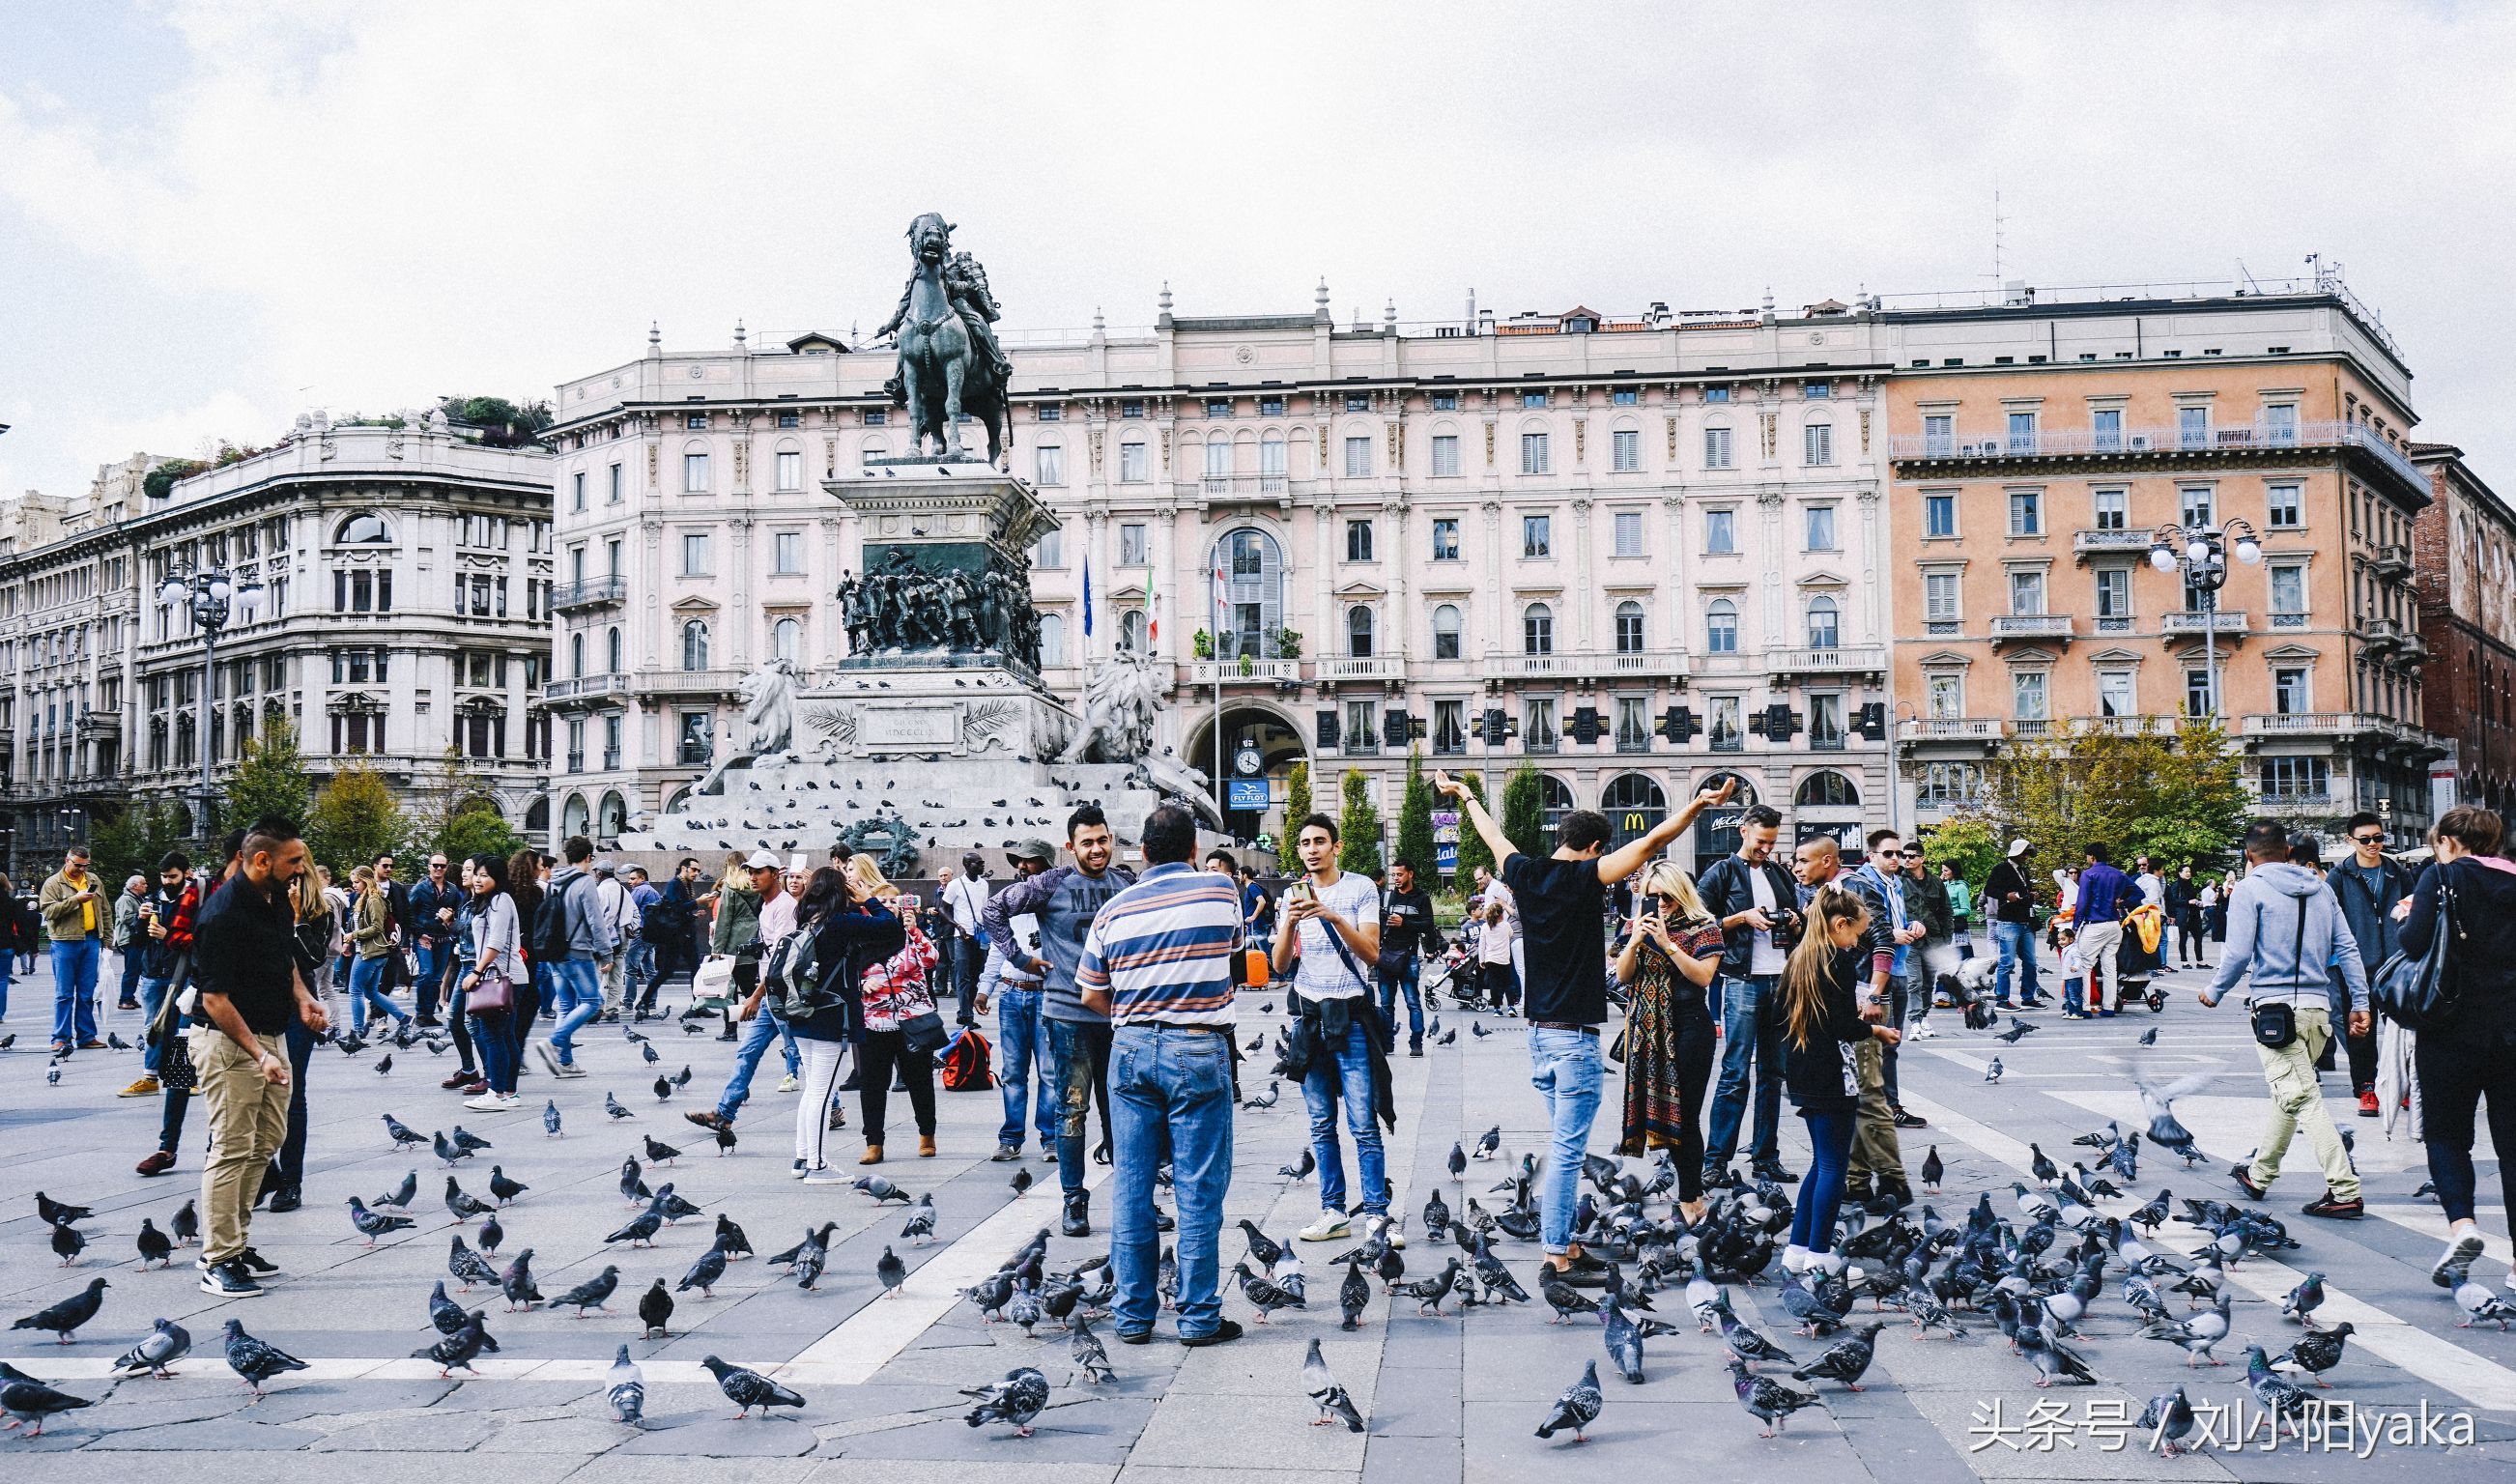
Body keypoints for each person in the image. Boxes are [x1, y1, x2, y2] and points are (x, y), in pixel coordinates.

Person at [1440, 769, 1729, 1285]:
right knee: (1569, 1151)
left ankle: (1570, 1243)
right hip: (1573, 1039)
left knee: (1565, 1142)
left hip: (1538, 1036)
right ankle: (1555, 1256)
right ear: (1595, 846)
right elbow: (1655, 840)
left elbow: (1492, 834)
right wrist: (1697, 805)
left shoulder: (1523, 872)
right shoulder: (1586, 876)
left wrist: (1465, 796)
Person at [1078, 802, 1246, 1347]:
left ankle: (1133, 1317)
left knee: (1131, 1186)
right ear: (1195, 850)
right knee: (1197, 1189)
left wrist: (1134, 1019)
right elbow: (1234, 952)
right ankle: (1197, 1319)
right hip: (1197, 1046)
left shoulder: (1113, 910)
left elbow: (1089, 992)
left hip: (1127, 1048)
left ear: (1142, 852)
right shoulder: (1221, 892)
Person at [2199, 820, 2369, 1219]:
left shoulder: (2249, 889)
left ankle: (2344, 1189)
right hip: (2317, 1009)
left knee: (2303, 1097)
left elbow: (2238, 953)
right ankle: (2260, 1174)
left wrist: (2215, 990)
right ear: (2288, 852)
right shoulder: (2322, 888)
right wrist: (2360, 1001)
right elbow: (2347, 948)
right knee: (2290, 1092)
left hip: (2275, 1011)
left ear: (2248, 855)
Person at [982, 806, 1136, 1238]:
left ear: (1111, 840)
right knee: (1071, 1110)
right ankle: (1074, 1201)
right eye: (1087, 842)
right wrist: (1019, 959)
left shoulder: (1125, 883)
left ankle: (1133, 1200)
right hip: (1067, 1015)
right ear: (1071, 847)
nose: (1097, 849)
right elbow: (993, 910)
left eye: (1102, 840)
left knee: (1123, 1110)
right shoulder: (1052, 883)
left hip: (1119, 1017)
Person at [192, 818, 326, 1297]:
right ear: (262, 860)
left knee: (267, 1138)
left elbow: (284, 956)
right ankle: (218, 1257)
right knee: (231, 1147)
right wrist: (258, 1053)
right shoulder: (222, 913)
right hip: (229, 1042)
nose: (301, 869)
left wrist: (303, 998)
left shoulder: (274, 900)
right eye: (294, 861)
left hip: (269, 1035)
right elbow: (215, 1000)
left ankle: (237, 1243)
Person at [2398, 808, 2516, 1287]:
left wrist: (2407, 914)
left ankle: (2464, 1226)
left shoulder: (2440, 877)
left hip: (2450, 1026)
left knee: (2447, 1134)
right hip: (2511, 1028)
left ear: (2447, 840)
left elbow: (2413, 943)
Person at [1271, 813, 1388, 1244]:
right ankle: (1333, 1211)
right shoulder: (1291, 896)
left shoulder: (1360, 888)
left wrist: (1332, 915)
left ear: (1336, 846)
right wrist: (1290, 920)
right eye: (1304, 843)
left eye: (1320, 841)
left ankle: (1376, 1213)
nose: (1312, 849)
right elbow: (1280, 965)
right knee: (1322, 1124)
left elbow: (1372, 952)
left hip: (1351, 1019)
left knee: (1362, 1123)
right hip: (1308, 1019)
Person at [1778, 883, 1900, 1274]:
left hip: (1801, 1067)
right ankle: (1820, 1255)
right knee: (1834, 1167)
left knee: (1820, 1163)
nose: (1858, 941)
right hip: (1832, 1071)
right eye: (1857, 933)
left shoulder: (1800, 956)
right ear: (1840, 924)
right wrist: (1874, 1027)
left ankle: (1798, 1249)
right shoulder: (1838, 960)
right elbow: (1842, 1025)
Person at [1696, 803, 1802, 1185]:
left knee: (1774, 1073)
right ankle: (1716, 1161)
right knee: (1736, 1072)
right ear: (1744, 832)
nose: (1766, 850)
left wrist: (1793, 919)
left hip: (1780, 978)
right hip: (1742, 980)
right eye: (1761, 842)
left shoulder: (1778, 873)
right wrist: (1741, 918)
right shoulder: (1721, 872)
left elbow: (1798, 919)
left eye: (1772, 843)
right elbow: (1696, 923)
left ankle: (1765, 1157)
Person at [1802, 835, 1910, 1205]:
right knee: (1854, 1094)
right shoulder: (1817, 893)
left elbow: (1882, 941)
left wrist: (1876, 995)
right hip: (1845, 999)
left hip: (1865, 998)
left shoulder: (1855, 888)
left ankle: (1893, 1183)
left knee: (1867, 1094)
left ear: (1828, 860)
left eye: (1804, 860)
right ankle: (1859, 1181)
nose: (1797, 867)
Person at [1613, 860, 1723, 1220]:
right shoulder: (1636, 927)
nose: (1659, 903)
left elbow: (1704, 977)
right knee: (1661, 1115)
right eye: (1652, 896)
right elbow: (1624, 977)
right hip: (1648, 1033)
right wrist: (1634, 942)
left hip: (1690, 1027)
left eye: (1667, 897)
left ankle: (1691, 1197)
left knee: (1685, 1117)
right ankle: (1688, 1194)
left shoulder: (1703, 927)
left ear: (1681, 895)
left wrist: (1668, 944)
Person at [791, 866, 907, 1183]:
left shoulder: (807, 918)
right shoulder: (841, 922)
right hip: (832, 1016)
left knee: (813, 1087)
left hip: (802, 1012)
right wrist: (869, 900)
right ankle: (817, 1165)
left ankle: (803, 1157)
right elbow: (892, 931)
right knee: (822, 1092)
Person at [849, 857, 942, 1162]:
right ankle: (874, 1142)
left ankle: (926, 1134)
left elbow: (931, 960)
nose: (889, 904)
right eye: (882, 900)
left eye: (893, 900)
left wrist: (915, 931)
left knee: (920, 1081)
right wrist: (864, 985)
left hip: (913, 1018)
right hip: (875, 1020)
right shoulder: (864, 935)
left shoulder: (909, 933)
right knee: (872, 1083)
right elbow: (850, 971)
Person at [264, 867, 340, 1211]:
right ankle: (264, 1169)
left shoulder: (319, 913)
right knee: (250, 1096)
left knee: (292, 1093)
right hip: (253, 1008)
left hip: (299, 1010)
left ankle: (290, 1182)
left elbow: (313, 958)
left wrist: (295, 918)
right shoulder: (251, 904)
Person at [977, 839, 1057, 1161]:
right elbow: (998, 947)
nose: (1022, 868)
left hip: (1045, 994)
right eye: (1019, 862)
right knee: (1012, 1072)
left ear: (1047, 865)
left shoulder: (1057, 902)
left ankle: (1051, 1138)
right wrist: (986, 987)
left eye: (1029, 861)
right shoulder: (1009, 902)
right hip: (1011, 994)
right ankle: (1011, 1137)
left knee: (1050, 1073)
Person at [2329, 812, 2411, 1119]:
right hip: (2356, 967)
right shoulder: (2340, 875)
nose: (2373, 844)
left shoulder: (2397, 872)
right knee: (2360, 1033)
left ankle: (2403, 1089)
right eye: (2365, 839)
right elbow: (2331, 921)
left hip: (2397, 966)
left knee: (2403, 1030)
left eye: (2378, 837)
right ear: (2351, 841)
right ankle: (2367, 1089)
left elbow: (2414, 909)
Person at [1846, 830, 1929, 1129]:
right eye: (1890, 854)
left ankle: (1887, 1105)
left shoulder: (1895, 883)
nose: (1898, 859)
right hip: (1876, 971)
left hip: (1898, 967)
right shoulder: (1861, 883)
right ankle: (1877, 1107)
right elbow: (1859, 929)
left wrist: (1912, 925)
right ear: (1872, 856)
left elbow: (1895, 922)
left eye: (1901, 854)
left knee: (1890, 1042)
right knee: (1873, 1041)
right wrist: (1888, 934)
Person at [132, 852, 203, 1176]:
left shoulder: (206, 897)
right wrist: (140, 922)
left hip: (204, 990)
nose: (167, 882)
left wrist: (170, 937)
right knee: (178, 1067)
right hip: (179, 990)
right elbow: (134, 943)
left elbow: (210, 945)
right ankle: (167, 1147)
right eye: (164, 877)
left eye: (173, 876)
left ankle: (220, 1151)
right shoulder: (158, 900)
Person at [533, 837, 616, 1077]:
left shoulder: (554, 882)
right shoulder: (585, 883)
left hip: (555, 952)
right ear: (589, 857)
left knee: (566, 1006)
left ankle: (566, 1062)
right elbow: (595, 920)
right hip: (577, 952)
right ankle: (554, 1041)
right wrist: (606, 952)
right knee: (592, 1003)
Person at [457, 855, 524, 1110]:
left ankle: (496, 1092)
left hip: (501, 976)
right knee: (505, 1035)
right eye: (477, 874)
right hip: (507, 975)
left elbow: (495, 942)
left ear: (498, 877)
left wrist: (475, 971)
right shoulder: (490, 901)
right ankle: (509, 1092)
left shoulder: (500, 901)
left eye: (485, 875)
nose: (478, 879)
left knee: (493, 1034)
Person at [41, 844, 108, 1054]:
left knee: (87, 992)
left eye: (86, 865)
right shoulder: (53, 883)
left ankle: (87, 1035)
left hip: (91, 940)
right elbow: (48, 911)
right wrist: (75, 900)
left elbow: (105, 910)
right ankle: (60, 1037)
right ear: (67, 860)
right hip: (65, 941)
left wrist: (107, 940)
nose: (82, 869)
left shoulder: (94, 880)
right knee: (64, 994)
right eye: (78, 865)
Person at [1376, 859, 1445, 1058]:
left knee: (1413, 1002)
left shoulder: (1421, 897)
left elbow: (1428, 924)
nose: (1396, 879)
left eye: (1400, 874)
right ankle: (1388, 1043)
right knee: (1386, 1003)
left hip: (1409, 956)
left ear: (1410, 874)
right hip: (1387, 955)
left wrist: (1404, 922)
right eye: (1394, 875)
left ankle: (1416, 1043)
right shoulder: (1387, 897)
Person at [344, 866, 411, 1038]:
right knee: (371, 992)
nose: (354, 886)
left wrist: (354, 935)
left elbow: (377, 927)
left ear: (366, 880)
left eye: (357, 882)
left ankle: (358, 1031)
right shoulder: (365, 898)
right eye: (353, 882)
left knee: (355, 991)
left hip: (370, 952)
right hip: (373, 952)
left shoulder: (373, 899)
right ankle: (403, 1018)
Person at [1983, 838, 2044, 1008]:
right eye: (2024, 853)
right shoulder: (2001, 869)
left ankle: (2028, 997)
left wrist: (2030, 894)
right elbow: (1989, 889)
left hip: (2025, 920)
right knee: (2007, 962)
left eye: (2027, 853)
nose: (2026, 856)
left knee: (2031, 962)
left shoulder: (2023, 871)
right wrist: (2006, 895)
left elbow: (2022, 890)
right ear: (2016, 853)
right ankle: (2002, 999)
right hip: (2008, 921)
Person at [1903, 848, 1955, 1042]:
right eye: (1904, 856)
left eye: (1912, 856)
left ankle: (1923, 1017)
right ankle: (1915, 1021)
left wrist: (1946, 938)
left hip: (1933, 940)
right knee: (1914, 981)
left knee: (1928, 982)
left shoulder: (1935, 882)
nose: (1907, 859)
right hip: (1910, 940)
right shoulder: (1899, 881)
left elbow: (1946, 911)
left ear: (1922, 858)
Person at [408, 853, 462, 1028]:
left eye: (442, 866)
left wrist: (451, 919)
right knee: (426, 974)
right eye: (435, 865)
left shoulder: (452, 890)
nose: (438, 868)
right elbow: (409, 914)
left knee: (437, 978)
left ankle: (429, 1013)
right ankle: (421, 1012)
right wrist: (418, 934)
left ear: (447, 868)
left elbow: (458, 912)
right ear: (429, 866)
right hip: (425, 937)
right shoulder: (420, 888)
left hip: (444, 938)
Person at [943, 850, 991, 1027]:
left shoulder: (984, 884)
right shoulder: (955, 884)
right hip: (962, 937)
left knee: (976, 976)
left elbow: (984, 909)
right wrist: (958, 926)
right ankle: (966, 1016)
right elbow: (942, 909)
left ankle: (965, 1012)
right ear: (966, 865)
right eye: (977, 863)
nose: (981, 865)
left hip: (980, 936)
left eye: (982, 862)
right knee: (963, 977)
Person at [593, 862, 638, 1022]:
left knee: (597, 971)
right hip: (622, 934)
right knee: (617, 974)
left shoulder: (600, 891)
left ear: (599, 874)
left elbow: (597, 917)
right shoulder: (623, 890)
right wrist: (631, 927)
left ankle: (595, 1008)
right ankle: (612, 1011)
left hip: (604, 935)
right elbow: (635, 913)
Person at [621, 867, 662, 1017]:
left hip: (640, 934)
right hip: (652, 935)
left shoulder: (640, 891)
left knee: (630, 970)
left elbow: (629, 910)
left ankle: (627, 1003)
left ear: (642, 878)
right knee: (650, 971)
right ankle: (651, 1004)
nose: (630, 882)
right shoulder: (654, 892)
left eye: (633, 879)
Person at [1475, 879, 1520, 1013]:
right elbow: (1511, 935)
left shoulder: (1485, 927)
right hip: (1504, 959)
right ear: (1501, 914)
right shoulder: (1506, 926)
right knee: (1507, 984)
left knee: (1494, 984)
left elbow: (1481, 945)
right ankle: (1511, 1007)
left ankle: (1497, 1008)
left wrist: (1481, 960)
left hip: (1490, 959)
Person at [113, 873, 149, 1012]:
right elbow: (126, 918)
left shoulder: (136, 898)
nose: (146, 885)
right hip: (129, 938)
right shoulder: (126, 899)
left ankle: (130, 997)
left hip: (136, 938)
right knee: (131, 970)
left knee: (136, 969)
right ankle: (125, 999)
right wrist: (143, 915)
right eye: (143, 883)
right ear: (135, 886)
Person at [2167, 864, 2205, 969]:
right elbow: (2173, 901)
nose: (2188, 873)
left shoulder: (2190, 884)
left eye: (2189, 871)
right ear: (2180, 873)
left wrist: (2198, 902)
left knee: (2198, 938)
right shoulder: (2176, 885)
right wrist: (2188, 902)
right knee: (2183, 940)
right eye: (2186, 871)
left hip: (2194, 915)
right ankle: (2184, 962)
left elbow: (2193, 898)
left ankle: (2200, 961)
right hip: (2183, 916)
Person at [1942, 862, 1975, 962]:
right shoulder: (1943, 885)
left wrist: (1949, 912)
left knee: (1963, 960)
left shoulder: (1961, 887)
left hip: (1958, 928)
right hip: (1945, 927)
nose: (1943, 873)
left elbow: (1966, 910)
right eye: (1942, 870)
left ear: (1954, 871)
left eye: (1946, 870)